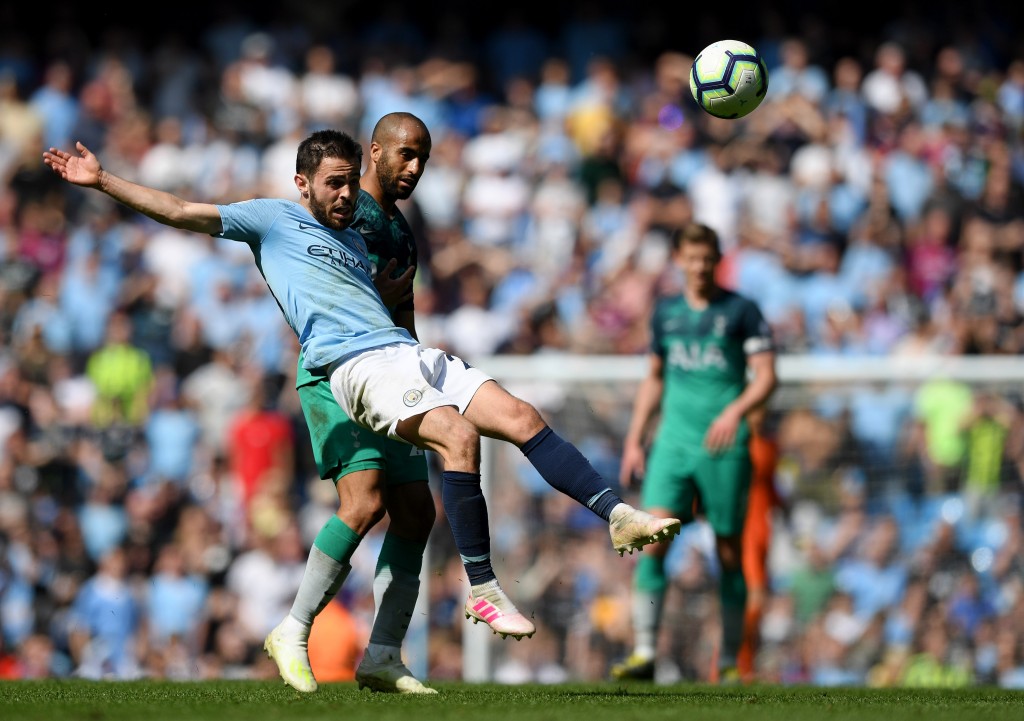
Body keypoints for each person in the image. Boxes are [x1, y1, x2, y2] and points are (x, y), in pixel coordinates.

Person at [44, 126, 681, 685]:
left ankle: (615, 513)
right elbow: (182, 209)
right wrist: (102, 182)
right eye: (336, 183)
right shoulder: (271, 219)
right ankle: (470, 591)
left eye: (353, 184)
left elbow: (383, 302)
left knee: (500, 432)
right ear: (304, 182)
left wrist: (398, 297)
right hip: (350, 371)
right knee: (405, 474)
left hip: (402, 352)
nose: (348, 195)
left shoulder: (364, 243)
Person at [270, 112, 437, 695]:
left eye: (423, 158)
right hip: (340, 372)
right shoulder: (342, 211)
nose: (414, 168)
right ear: (374, 154)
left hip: (393, 371)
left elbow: (404, 310)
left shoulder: (402, 231)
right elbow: (317, 276)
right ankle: (293, 629)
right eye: (405, 155)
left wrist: (421, 374)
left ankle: (384, 655)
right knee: (364, 502)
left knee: (416, 510)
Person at [611, 222, 777, 683]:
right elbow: (655, 377)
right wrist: (635, 438)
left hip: (725, 446)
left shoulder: (742, 311)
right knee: (651, 540)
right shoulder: (666, 313)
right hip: (673, 444)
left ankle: (727, 660)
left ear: (717, 260)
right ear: (679, 260)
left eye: (708, 258)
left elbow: (766, 376)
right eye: (692, 257)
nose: (700, 266)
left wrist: (736, 412)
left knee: (728, 551)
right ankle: (645, 652)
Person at [736, 402, 784, 682]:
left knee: (757, 603)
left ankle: (745, 665)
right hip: (745, 531)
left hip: (765, 533)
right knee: (751, 599)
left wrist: (784, 507)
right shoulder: (737, 444)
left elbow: (772, 488)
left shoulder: (768, 444)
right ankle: (736, 666)